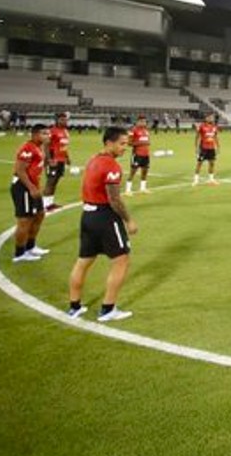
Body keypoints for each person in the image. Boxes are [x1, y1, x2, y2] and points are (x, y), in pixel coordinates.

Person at [66, 126, 140, 323]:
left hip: (88, 216)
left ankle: (74, 307)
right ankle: (108, 309)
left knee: (84, 261)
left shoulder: (93, 159)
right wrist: (129, 220)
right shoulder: (112, 166)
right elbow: (114, 199)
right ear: (109, 143)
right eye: (122, 143)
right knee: (121, 260)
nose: (126, 148)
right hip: (105, 217)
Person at [11, 125, 52, 262]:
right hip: (23, 187)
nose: (48, 135)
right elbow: (20, 170)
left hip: (33, 187)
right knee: (25, 220)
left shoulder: (38, 147)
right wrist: (31, 188)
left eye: (48, 133)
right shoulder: (27, 148)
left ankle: (30, 247)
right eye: (44, 133)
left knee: (39, 215)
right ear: (35, 134)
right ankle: (19, 253)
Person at [43, 111, 72, 211]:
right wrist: (49, 159)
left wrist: (67, 158)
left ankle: (50, 203)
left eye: (65, 119)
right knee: (50, 181)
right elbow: (46, 145)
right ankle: (45, 205)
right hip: (54, 160)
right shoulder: (52, 131)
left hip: (61, 160)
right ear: (57, 120)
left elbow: (64, 146)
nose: (64, 121)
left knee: (55, 181)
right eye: (62, 119)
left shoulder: (65, 131)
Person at [126, 114, 152, 195]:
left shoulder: (146, 131)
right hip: (137, 154)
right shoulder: (133, 130)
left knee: (145, 171)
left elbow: (147, 141)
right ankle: (128, 190)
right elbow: (129, 143)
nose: (143, 123)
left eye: (144, 121)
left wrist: (147, 143)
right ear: (137, 122)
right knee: (133, 171)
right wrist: (141, 143)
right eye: (141, 121)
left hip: (146, 154)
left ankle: (143, 188)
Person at [193, 114, 220, 185]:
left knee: (212, 163)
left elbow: (215, 137)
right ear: (206, 118)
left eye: (212, 117)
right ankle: (196, 180)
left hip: (212, 148)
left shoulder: (214, 127)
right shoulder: (202, 126)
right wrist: (196, 148)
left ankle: (211, 179)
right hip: (203, 148)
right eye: (209, 117)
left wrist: (218, 147)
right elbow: (197, 137)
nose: (211, 118)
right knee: (199, 163)